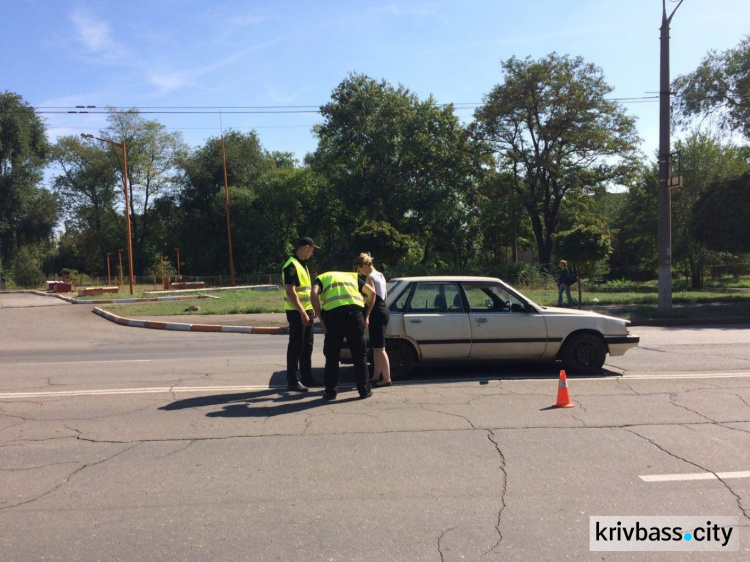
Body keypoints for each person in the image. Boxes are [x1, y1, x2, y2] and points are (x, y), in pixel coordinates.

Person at [310, 271, 376, 400]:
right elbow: (372, 293)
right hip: (355, 315)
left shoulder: (322, 278)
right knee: (359, 355)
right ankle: (364, 390)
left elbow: (313, 293)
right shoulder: (353, 276)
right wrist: (367, 315)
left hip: (334, 317)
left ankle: (331, 392)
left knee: (332, 356)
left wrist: (321, 319)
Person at [282, 236, 320, 392]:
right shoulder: (291, 265)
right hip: (297, 312)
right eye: (312, 249)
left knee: (307, 346)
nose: (312, 253)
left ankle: (307, 377)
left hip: (306, 311)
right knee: (296, 347)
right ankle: (292, 381)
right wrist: (303, 312)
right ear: (306, 247)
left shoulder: (302, 265)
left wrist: (311, 310)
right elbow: (291, 292)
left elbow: (305, 291)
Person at [355, 253, 391, 387]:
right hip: (383, 310)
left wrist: (368, 315)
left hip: (376, 312)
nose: (361, 272)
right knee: (376, 347)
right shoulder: (380, 275)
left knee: (380, 348)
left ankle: (387, 378)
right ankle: (376, 375)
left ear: (365, 266)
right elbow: (385, 294)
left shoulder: (370, 277)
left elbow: (372, 296)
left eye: (360, 269)